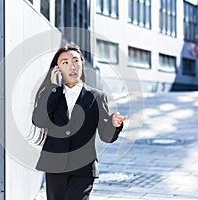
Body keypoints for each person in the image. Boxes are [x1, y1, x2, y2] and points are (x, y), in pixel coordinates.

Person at [31, 43, 127, 200]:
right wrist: (54, 89)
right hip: (54, 165)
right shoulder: (50, 94)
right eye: (65, 62)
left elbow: (105, 136)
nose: (72, 66)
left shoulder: (97, 97)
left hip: (83, 168)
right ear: (57, 69)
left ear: (82, 63)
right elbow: (39, 120)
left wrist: (113, 125)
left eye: (75, 60)